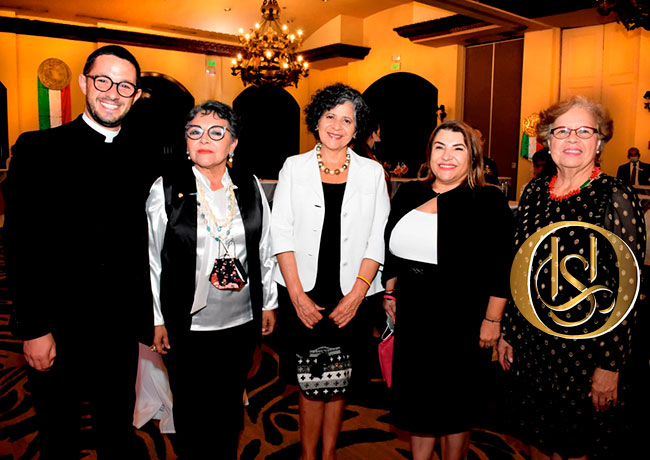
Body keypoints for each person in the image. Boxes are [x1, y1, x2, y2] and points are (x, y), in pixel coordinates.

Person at [3, 45, 151, 459]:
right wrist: (33, 327)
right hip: (56, 324)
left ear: (136, 95)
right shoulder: (38, 149)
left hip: (119, 329)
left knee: (116, 431)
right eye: (103, 80)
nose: (113, 93)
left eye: (125, 86)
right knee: (59, 436)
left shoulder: (145, 154)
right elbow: (19, 244)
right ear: (85, 82)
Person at [498, 96, 646, 459]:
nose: (572, 139)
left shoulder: (615, 196)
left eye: (584, 131)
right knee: (535, 438)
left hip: (586, 350)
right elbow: (520, 267)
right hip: (533, 343)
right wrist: (509, 331)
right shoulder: (535, 192)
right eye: (562, 131)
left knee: (576, 447)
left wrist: (609, 365)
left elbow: (627, 290)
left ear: (600, 141)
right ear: (547, 141)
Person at [147, 100, 277, 459]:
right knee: (191, 410)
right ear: (186, 142)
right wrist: (156, 318)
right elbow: (151, 258)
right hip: (187, 325)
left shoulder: (250, 185)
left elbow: (265, 248)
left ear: (232, 143)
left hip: (240, 322)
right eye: (195, 132)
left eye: (216, 132)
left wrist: (268, 303)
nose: (204, 139)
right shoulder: (167, 188)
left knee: (229, 406)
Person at [382, 120, 514, 460]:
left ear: (473, 156)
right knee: (418, 406)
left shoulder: (488, 199)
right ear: (429, 153)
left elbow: (502, 265)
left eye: (458, 148)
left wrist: (493, 320)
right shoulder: (410, 192)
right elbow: (392, 246)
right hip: (415, 313)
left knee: (455, 408)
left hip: (463, 318)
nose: (447, 156)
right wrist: (390, 290)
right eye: (440, 147)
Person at [271, 83, 390, 460]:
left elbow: (377, 238)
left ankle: (329, 453)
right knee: (309, 382)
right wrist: (296, 296)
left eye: (347, 120)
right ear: (316, 120)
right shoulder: (294, 167)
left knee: (340, 381)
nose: (337, 126)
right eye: (330, 116)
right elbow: (281, 233)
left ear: (357, 128)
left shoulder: (373, 173)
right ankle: (309, 456)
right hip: (303, 291)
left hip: (352, 294)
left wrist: (356, 296)